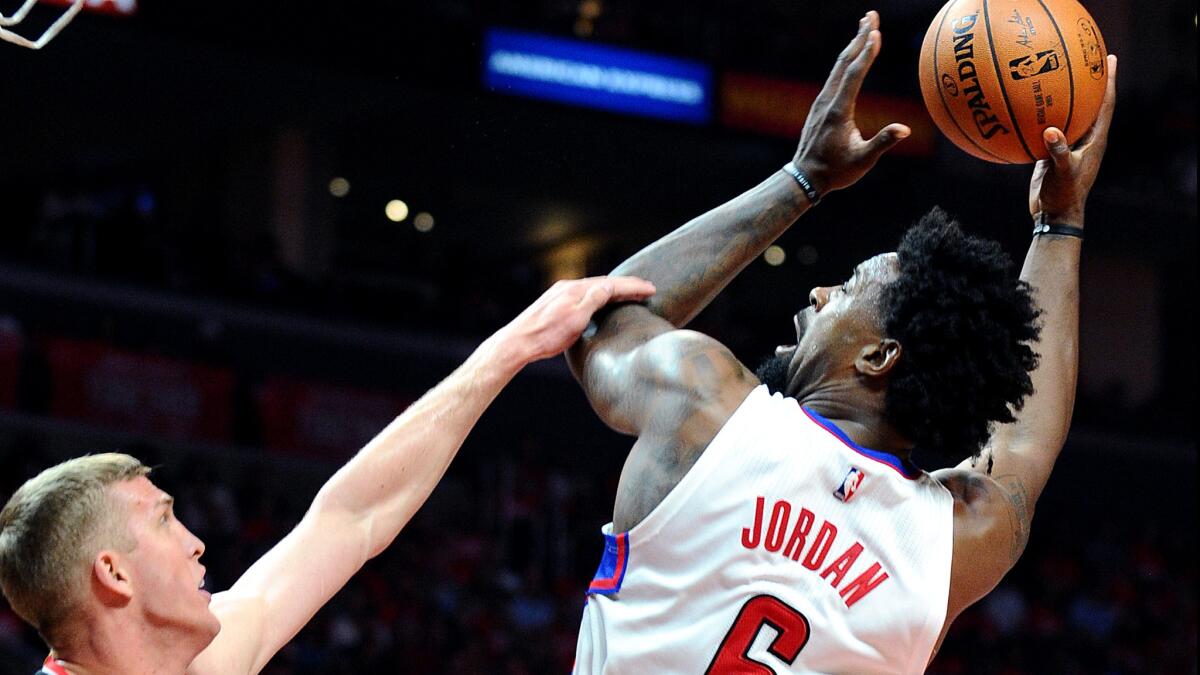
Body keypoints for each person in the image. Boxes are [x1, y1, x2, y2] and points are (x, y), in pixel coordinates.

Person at [567, 11, 1117, 674]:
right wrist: (1061, 224)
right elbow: (1024, 446)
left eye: (848, 287)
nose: (821, 294)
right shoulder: (950, 541)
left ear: (879, 357)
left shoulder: (708, 408)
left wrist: (803, 179)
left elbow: (600, 319)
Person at [0, 274, 656, 675]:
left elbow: (350, 516)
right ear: (113, 572)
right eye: (165, 519)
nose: (197, 541)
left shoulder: (202, 660)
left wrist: (515, 344)